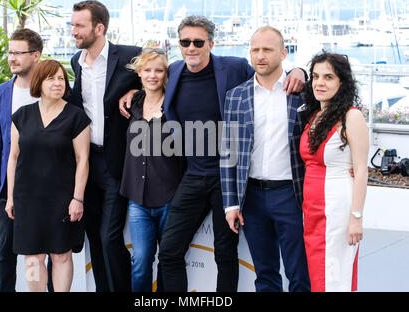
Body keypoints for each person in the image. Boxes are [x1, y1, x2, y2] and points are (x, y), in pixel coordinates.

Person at [120, 16, 306, 292]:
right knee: (170, 251)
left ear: (211, 43)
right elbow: (151, 81)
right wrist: (132, 91)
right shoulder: (174, 71)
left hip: (227, 176)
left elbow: (267, 76)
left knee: (226, 254)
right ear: (179, 45)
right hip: (192, 176)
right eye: (185, 42)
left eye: (198, 42)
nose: (191, 47)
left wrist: (299, 70)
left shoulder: (233, 67)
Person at [221, 26, 311, 292]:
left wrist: (302, 71)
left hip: (291, 196)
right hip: (253, 198)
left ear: (283, 53)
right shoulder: (236, 96)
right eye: (255, 50)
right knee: (265, 274)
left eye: (268, 50)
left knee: (299, 273)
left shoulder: (302, 93)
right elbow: (229, 154)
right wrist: (230, 204)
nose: (260, 56)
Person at [69, 0, 142, 292]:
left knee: (110, 237)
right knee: (94, 237)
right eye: (72, 25)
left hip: (116, 161)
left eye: (79, 25)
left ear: (99, 28)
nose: (73, 31)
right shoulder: (77, 61)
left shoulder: (129, 55)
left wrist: (137, 89)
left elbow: (163, 68)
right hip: (87, 161)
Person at [5, 60, 91, 292]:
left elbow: (83, 160)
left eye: (61, 78)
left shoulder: (76, 117)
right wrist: (11, 197)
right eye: (51, 78)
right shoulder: (21, 116)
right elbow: (13, 158)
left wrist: (78, 198)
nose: (57, 83)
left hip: (62, 199)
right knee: (32, 258)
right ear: (39, 83)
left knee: (61, 255)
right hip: (27, 198)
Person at [0, 28, 55, 292]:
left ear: (35, 55)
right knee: (5, 251)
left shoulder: (51, 90)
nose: (11, 58)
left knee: (45, 251)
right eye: (10, 52)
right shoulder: (1, 92)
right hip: (10, 186)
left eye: (18, 53)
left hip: (47, 184)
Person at [300, 51, 368, 292]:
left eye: (328, 77)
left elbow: (361, 171)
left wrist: (356, 218)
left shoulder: (352, 117)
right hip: (313, 210)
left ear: (342, 82)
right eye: (315, 76)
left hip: (337, 209)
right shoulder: (315, 116)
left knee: (336, 276)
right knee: (319, 275)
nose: (320, 82)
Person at [120, 48, 183, 292]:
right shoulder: (133, 102)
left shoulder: (175, 105)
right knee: (141, 261)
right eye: (147, 70)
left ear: (167, 74)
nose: (153, 75)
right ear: (139, 72)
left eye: (159, 70)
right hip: (138, 198)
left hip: (169, 196)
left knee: (168, 261)